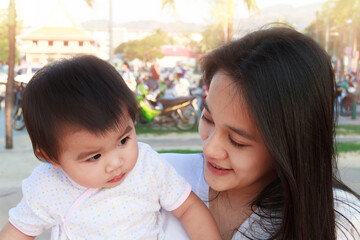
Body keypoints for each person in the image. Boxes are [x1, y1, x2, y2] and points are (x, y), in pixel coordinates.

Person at [161, 27, 360, 239]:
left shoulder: (338, 221)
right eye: (208, 119)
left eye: (237, 141)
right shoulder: (161, 175)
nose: (210, 148)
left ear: (289, 145)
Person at [0, 55, 221, 240]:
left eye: (123, 141)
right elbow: (18, 231)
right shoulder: (49, 187)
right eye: (94, 157)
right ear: (51, 158)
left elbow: (188, 207)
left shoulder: (148, 165)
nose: (116, 163)